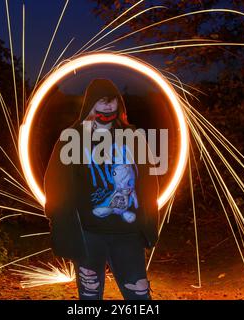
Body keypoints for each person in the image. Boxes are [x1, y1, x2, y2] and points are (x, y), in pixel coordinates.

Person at [44, 78, 159, 300]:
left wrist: (149, 222)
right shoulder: (73, 138)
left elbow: (148, 181)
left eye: (112, 101)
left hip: (128, 234)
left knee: (139, 297)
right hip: (88, 235)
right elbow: (56, 183)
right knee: (89, 298)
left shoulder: (134, 137)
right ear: (90, 104)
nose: (107, 106)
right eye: (101, 101)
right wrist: (58, 220)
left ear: (119, 104)